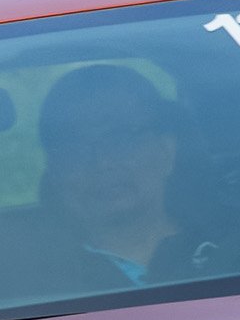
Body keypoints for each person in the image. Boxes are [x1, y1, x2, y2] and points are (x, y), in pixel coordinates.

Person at [25, 63, 205, 286]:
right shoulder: (29, 286)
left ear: (166, 152)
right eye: (75, 148)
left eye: (120, 139)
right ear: (54, 170)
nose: (102, 162)